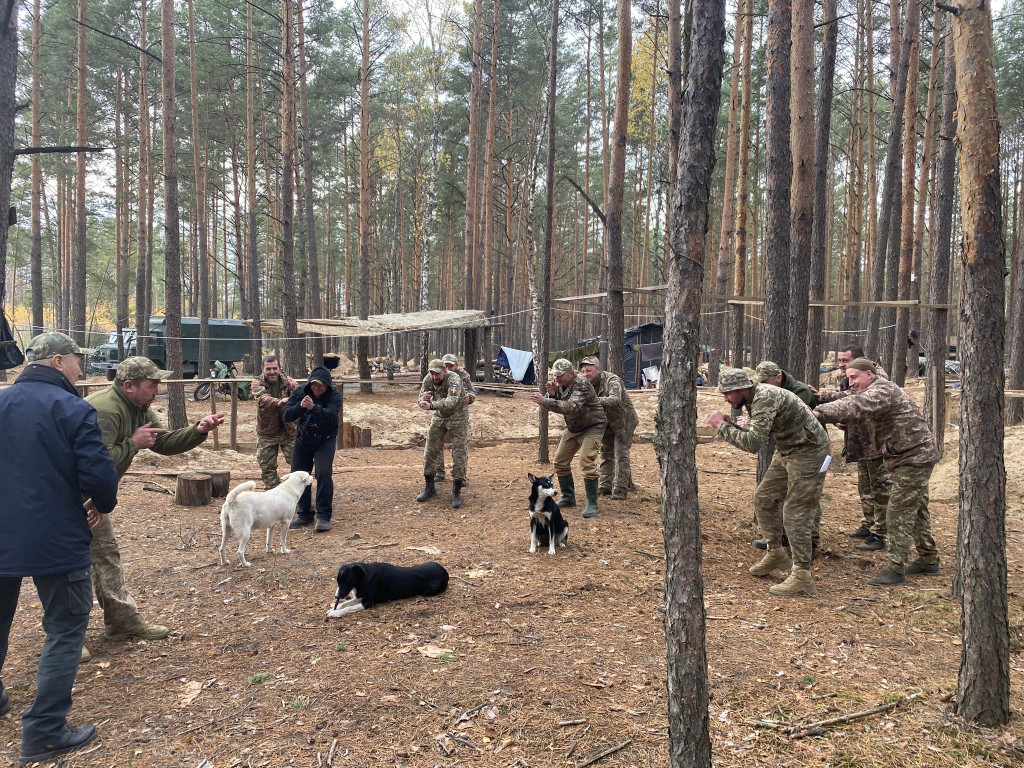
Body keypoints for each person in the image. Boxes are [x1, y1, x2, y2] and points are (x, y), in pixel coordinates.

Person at [0, 333, 120, 764]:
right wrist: (100, 504)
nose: (79, 367)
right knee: (66, 626)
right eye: (75, 360)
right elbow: (100, 475)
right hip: (57, 535)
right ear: (56, 361)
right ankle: (45, 731)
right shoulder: (72, 408)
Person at [85, 357, 224, 653]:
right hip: (72, 497)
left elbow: (162, 443)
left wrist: (198, 430)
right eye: (153, 384)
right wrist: (133, 443)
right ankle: (65, 640)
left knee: (106, 556)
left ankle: (122, 622)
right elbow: (93, 464)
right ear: (129, 386)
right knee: (69, 568)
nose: (158, 391)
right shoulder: (104, 409)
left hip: (96, 497)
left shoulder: (140, 407)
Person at [813, 358, 941, 586]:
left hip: (913, 457)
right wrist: (822, 397)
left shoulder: (882, 389)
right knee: (918, 508)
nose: (850, 382)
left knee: (898, 512)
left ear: (869, 375)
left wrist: (819, 413)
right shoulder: (871, 390)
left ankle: (895, 569)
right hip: (906, 456)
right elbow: (849, 399)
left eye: (854, 377)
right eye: (848, 378)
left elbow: (856, 405)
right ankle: (929, 559)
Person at [709, 368, 830, 597]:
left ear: (741, 389)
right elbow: (756, 432)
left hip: (810, 452)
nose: (725, 399)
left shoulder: (764, 397)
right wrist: (732, 426)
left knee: (795, 511)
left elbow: (753, 443)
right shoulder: (753, 395)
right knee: (764, 497)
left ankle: (802, 574)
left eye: (727, 394)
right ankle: (776, 552)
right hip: (787, 449)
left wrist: (721, 427)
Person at [815, 345, 892, 552]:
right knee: (866, 488)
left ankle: (880, 533)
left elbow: (855, 401)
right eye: (839, 361)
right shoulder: (850, 378)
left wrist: (823, 401)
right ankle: (869, 525)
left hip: (876, 444)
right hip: (860, 443)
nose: (841, 365)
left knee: (880, 489)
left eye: (845, 361)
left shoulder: (877, 380)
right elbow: (849, 399)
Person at [530, 358, 607, 518]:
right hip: (574, 427)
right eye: (554, 376)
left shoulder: (582, 384)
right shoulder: (560, 383)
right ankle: (568, 497)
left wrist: (547, 400)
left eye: (560, 376)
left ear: (571, 374)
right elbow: (559, 400)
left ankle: (592, 502)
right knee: (560, 460)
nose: (556, 379)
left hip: (593, 426)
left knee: (586, 460)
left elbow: (572, 406)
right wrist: (554, 394)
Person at [284, 365, 342, 531]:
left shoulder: (335, 395)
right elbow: (287, 415)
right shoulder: (300, 391)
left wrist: (313, 408)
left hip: (325, 439)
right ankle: (304, 514)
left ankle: (324, 515)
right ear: (310, 384)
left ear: (327, 386)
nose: (318, 388)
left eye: (322, 385)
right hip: (303, 438)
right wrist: (300, 407)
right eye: (315, 384)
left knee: (323, 473)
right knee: (298, 475)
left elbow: (331, 416)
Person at [579, 355, 639, 500]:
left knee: (620, 454)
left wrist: (593, 400)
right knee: (606, 452)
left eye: (589, 370)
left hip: (623, 422)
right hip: (605, 423)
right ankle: (605, 486)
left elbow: (615, 399)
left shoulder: (612, 380)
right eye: (583, 371)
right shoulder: (584, 384)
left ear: (598, 370)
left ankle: (620, 488)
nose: (586, 374)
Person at [416, 359, 469, 508]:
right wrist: (422, 400)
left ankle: (456, 491)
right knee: (430, 450)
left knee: (459, 452)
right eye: (432, 373)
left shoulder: (454, 380)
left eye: (437, 374)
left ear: (445, 371)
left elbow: (452, 401)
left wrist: (431, 405)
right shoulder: (428, 378)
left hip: (457, 417)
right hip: (439, 416)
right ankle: (429, 487)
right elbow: (420, 397)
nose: (434, 377)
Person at [253, 355, 298, 489]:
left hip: (289, 431)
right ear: (263, 369)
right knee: (267, 466)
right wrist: (279, 402)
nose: (272, 372)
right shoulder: (257, 383)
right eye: (268, 369)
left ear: (280, 368)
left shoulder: (289, 382)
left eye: (274, 368)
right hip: (267, 432)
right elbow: (262, 398)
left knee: (297, 464)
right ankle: (273, 494)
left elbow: (299, 392)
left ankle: (299, 496)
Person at [433, 353, 476, 484]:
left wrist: (470, 397)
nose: (448, 368)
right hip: (442, 414)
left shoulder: (463, 376)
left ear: (456, 365)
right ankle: (439, 472)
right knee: (436, 444)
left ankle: (460, 476)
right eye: (446, 366)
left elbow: (472, 391)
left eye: (451, 366)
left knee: (459, 447)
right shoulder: (438, 374)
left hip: (459, 415)